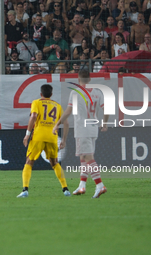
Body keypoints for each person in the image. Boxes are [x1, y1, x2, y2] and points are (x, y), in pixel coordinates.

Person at [53, 70, 109, 198]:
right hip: (93, 128)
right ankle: (82, 186)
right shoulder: (97, 92)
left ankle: (100, 185)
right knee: (83, 158)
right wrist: (104, 123)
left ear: (78, 79)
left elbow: (68, 111)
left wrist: (57, 124)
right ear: (89, 79)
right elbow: (107, 109)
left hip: (82, 129)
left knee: (87, 157)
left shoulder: (75, 92)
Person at [16, 84, 71, 198]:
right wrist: (64, 140)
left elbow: (34, 116)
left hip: (38, 136)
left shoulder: (36, 102)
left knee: (29, 162)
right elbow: (66, 123)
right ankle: (65, 189)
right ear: (51, 94)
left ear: (41, 94)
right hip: (52, 137)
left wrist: (27, 135)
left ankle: (25, 189)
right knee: (55, 163)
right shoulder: (57, 105)